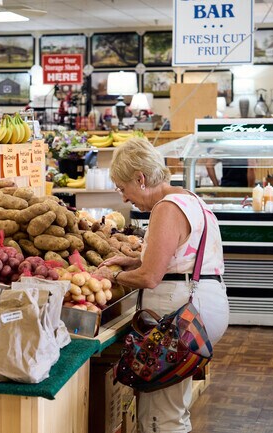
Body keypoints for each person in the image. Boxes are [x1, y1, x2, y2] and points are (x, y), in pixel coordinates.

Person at [95, 137, 230, 433]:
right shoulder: (189, 199)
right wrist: (135, 261)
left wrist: (112, 276)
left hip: (182, 312)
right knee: (173, 406)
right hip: (202, 306)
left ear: (140, 179)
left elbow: (150, 278)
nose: (125, 198)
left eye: (123, 187)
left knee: (159, 416)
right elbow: (178, 257)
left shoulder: (166, 208)